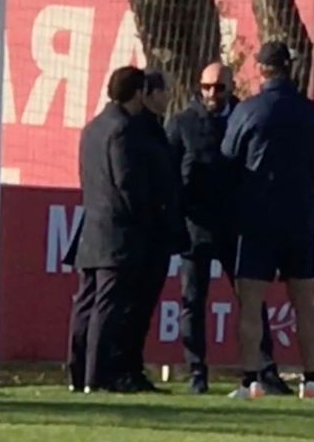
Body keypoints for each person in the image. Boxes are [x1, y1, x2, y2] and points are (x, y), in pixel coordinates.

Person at [166, 62, 293, 395]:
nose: (212, 94)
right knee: (193, 301)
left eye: (219, 88)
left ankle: (264, 371)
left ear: (231, 87)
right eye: (206, 87)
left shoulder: (244, 116)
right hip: (195, 227)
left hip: (236, 226)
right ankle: (196, 372)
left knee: (250, 299)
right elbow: (169, 175)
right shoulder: (182, 123)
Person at [220, 41, 314, 400]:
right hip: (300, 217)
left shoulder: (249, 110)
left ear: (260, 69)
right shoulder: (310, 112)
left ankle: (249, 380)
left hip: (258, 219)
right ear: (289, 68)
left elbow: (229, 156)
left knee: (251, 303)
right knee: (305, 301)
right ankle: (311, 379)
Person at [66, 65, 153, 393]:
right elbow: (125, 182)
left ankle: (77, 374)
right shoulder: (123, 130)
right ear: (138, 94)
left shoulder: (92, 129)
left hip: (91, 226)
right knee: (106, 305)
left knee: (85, 303)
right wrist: (145, 213)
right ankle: (97, 375)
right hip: (116, 233)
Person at [118, 69, 184, 392]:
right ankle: (124, 369)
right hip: (143, 232)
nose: (168, 97)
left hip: (158, 232)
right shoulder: (135, 129)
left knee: (143, 307)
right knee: (132, 305)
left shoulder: (157, 128)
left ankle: (133, 367)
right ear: (147, 95)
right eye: (163, 91)